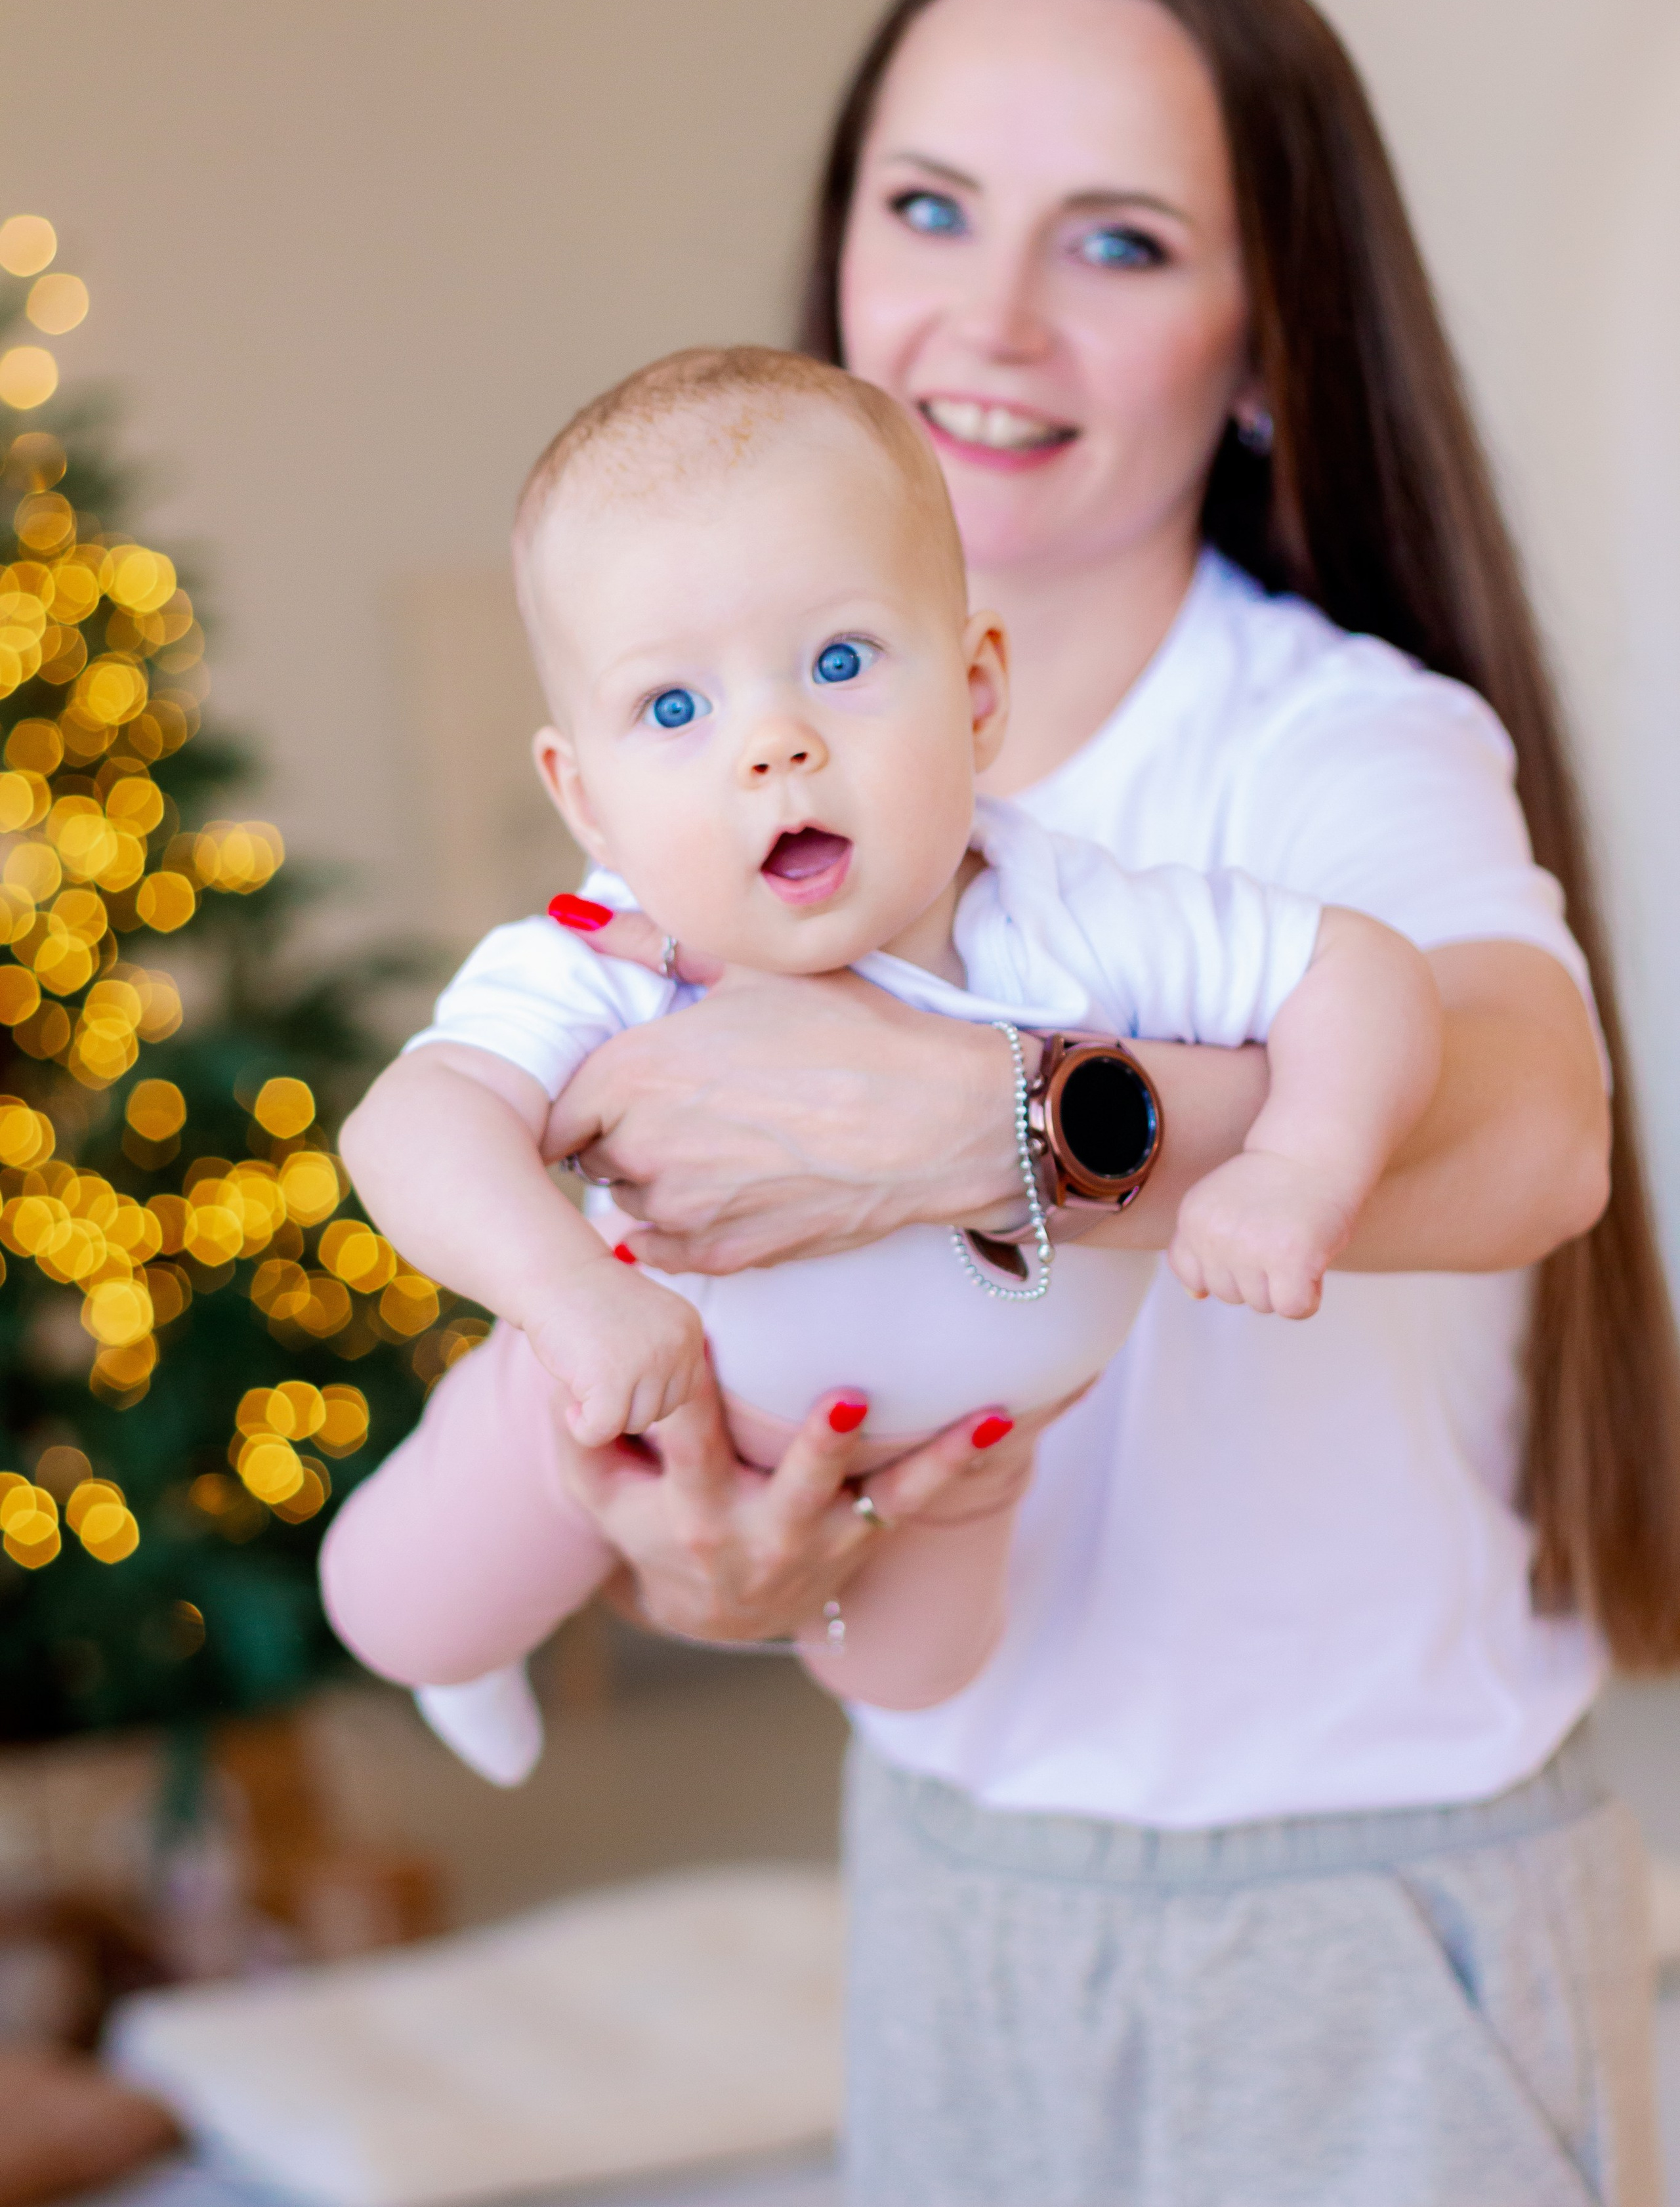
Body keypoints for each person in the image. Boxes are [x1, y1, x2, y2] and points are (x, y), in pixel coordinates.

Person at [381, 0, 1680, 2201]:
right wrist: (719, 1559)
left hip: (1357, 1903)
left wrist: (991, 1130)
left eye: (1119, 238)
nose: (990, 314)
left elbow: (1534, 1129)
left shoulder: (1329, 748)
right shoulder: (699, 829)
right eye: (930, 207)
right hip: (964, 1854)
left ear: (1266, 337)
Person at [325, 342, 1438, 1720]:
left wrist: (1299, 1167)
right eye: (673, 707)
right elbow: (411, 1124)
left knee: (913, 1683)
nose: (772, 743)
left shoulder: (1071, 913)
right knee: (393, 1614)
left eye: (839, 660)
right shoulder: (604, 957)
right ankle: (487, 1635)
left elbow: (1358, 971)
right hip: (635, 1396)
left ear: (974, 692)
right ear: (586, 797)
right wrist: (570, 1301)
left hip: (955, 1456)